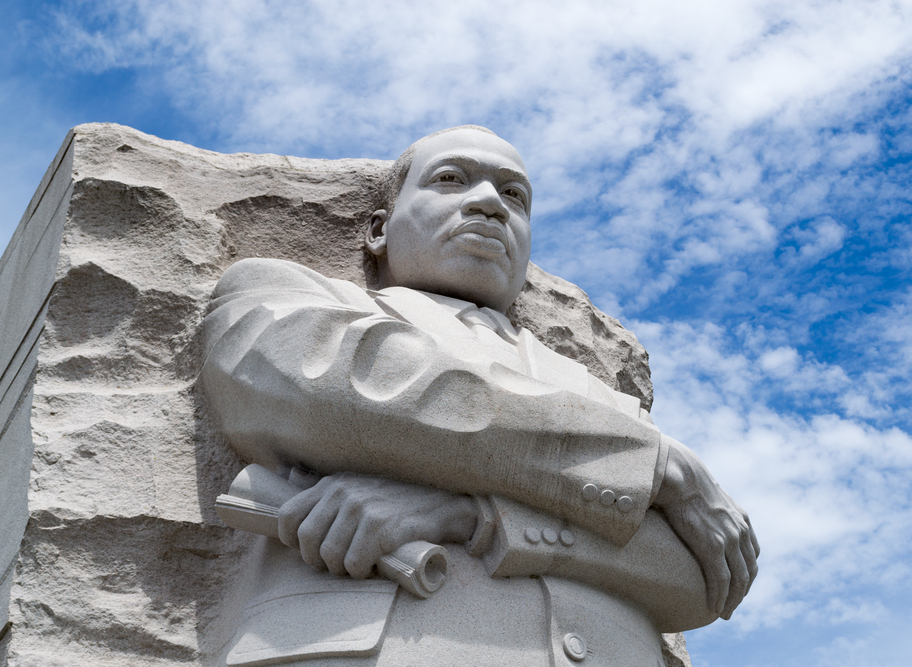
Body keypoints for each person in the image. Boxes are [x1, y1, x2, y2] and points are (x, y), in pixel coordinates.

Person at [202, 126, 759, 667]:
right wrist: (656, 466)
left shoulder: (605, 401)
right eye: (450, 179)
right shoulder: (284, 294)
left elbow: (705, 578)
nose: (491, 203)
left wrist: (474, 517)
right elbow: (335, 389)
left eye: (515, 195)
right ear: (378, 229)